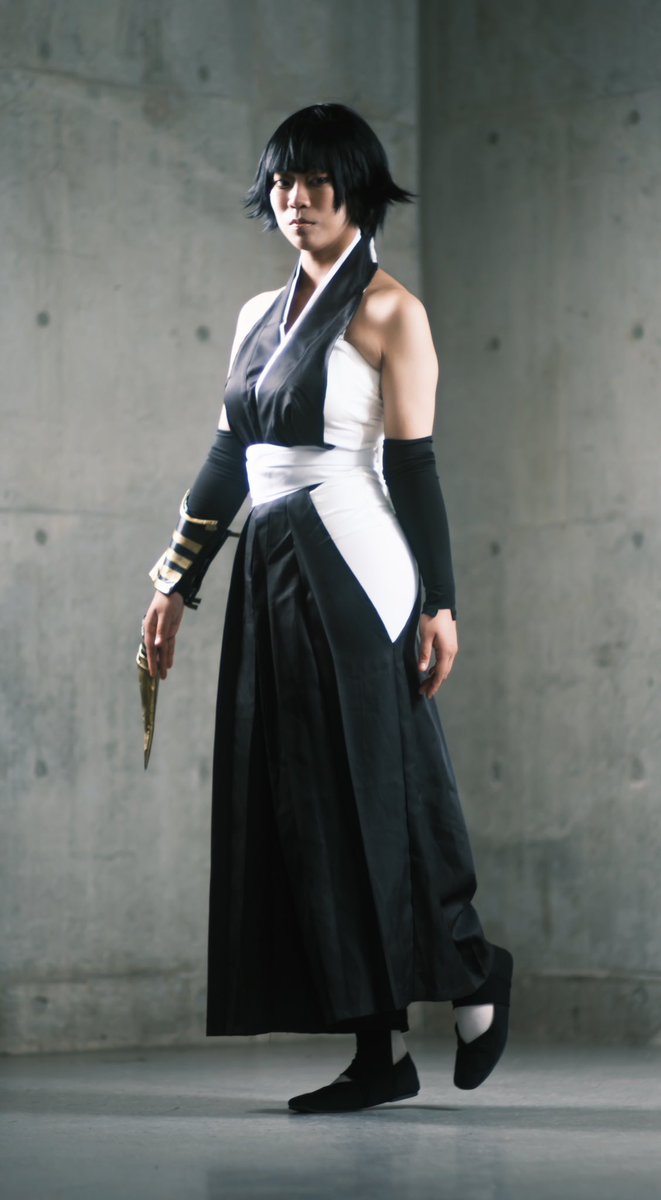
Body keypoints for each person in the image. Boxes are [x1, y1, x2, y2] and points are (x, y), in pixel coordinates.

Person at [142, 103, 513, 1114]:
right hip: (269, 559)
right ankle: (376, 1052)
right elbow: (230, 454)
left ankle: (470, 966)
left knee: (377, 792)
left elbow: (416, 468)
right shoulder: (256, 317)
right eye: (281, 183)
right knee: (304, 803)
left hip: (353, 563)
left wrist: (440, 605)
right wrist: (174, 584)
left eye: (314, 182)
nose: (294, 199)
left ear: (357, 191)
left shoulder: (391, 311)